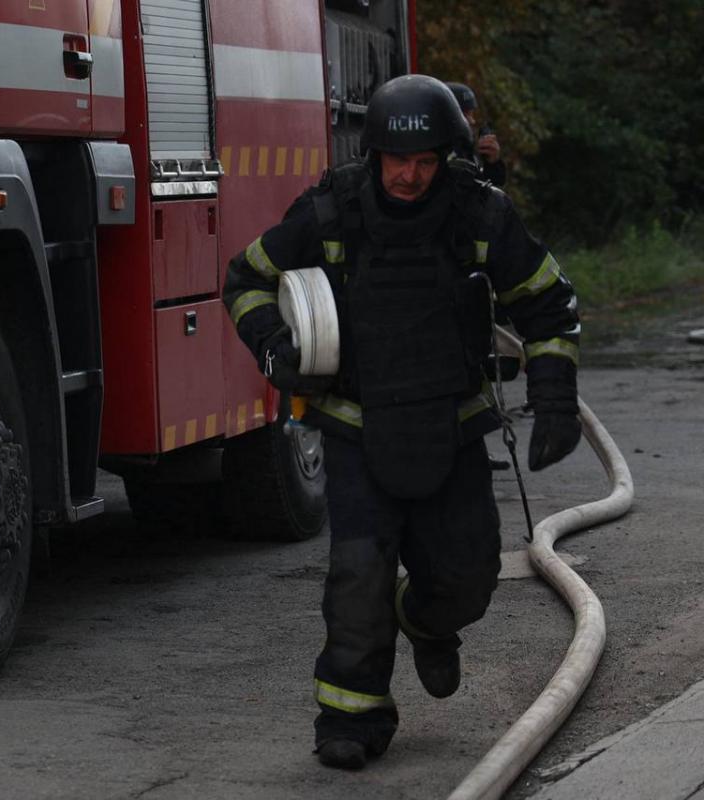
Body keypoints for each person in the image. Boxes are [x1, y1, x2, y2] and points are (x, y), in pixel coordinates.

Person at [222, 74, 582, 770]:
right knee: (357, 574)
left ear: (447, 155)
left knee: (470, 578)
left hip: (452, 422)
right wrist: (274, 345)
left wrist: (556, 394)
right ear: (374, 152)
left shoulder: (480, 215)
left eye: (424, 162)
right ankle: (349, 717)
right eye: (397, 161)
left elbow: (546, 299)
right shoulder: (331, 212)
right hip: (358, 425)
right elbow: (246, 278)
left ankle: (424, 618)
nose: (411, 176)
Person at [445, 81, 507, 187]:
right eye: (465, 115)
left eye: (471, 114)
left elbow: (486, 190)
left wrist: (492, 163)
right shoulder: (438, 152)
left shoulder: (465, 149)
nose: (472, 121)